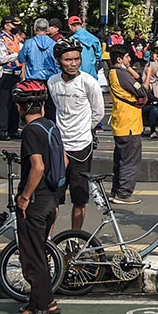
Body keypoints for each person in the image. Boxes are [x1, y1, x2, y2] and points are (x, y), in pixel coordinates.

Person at [6, 80, 63, 314]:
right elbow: (65, 161)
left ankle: (38, 309)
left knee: (32, 258)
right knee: (40, 252)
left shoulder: (30, 131)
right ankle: (47, 299)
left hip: (36, 201)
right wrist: (57, 197)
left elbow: (37, 166)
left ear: (20, 108)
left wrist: (24, 197)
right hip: (50, 198)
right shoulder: (51, 125)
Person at [48, 37, 105, 228]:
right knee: (53, 198)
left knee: (79, 198)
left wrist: (83, 129)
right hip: (59, 147)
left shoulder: (88, 82)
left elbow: (98, 112)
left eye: (76, 59)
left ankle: (75, 238)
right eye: (68, 60)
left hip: (81, 146)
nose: (73, 64)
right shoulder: (52, 82)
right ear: (58, 61)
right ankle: (47, 239)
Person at [108, 44, 148, 204]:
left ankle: (116, 191)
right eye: (127, 57)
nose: (129, 59)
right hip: (129, 124)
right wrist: (148, 74)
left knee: (120, 159)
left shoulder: (113, 73)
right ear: (120, 59)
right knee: (130, 160)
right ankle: (124, 194)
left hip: (121, 122)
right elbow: (142, 91)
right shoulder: (121, 75)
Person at [19, 18, 60, 118]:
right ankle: (50, 128)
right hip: (50, 78)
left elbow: (21, 58)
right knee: (50, 106)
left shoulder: (29, 43)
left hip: (33, 79)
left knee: (33, 107)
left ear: (34, 28)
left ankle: (35, 128)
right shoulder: (53, 44)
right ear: (47, 29)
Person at [0, 16, 23, 141]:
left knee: (14, 103)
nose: (15, 27)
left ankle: (13, 129)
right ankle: (1, 131)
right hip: (5, 74)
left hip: (16, 73)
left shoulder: (15, 39)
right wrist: (17, 55)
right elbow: (2, 58)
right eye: (13, 25)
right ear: (6, 25)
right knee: (4, 104)